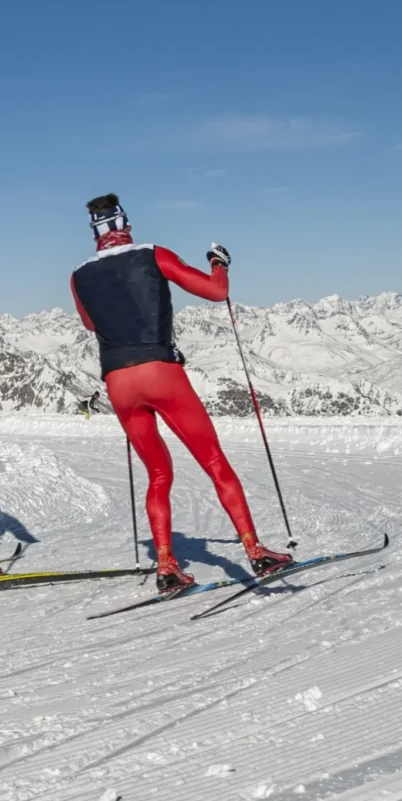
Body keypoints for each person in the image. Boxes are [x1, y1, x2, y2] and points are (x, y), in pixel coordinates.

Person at [70, 194, 292, 592]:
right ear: (126, 225)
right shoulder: (153, 254)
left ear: (95, 232)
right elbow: (215, 292)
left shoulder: (78, 275)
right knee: (213, 461)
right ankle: (256, 552)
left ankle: (167, 567)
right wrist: (218, 263)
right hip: (161, 372)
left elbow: (90, 324)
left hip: (118, 381)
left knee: (158, 474)